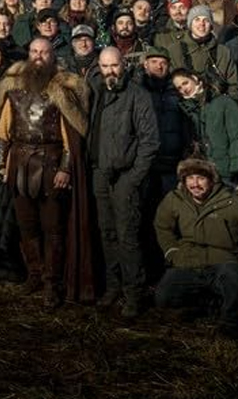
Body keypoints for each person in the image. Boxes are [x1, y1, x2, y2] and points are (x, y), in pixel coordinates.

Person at [0, 36, 96, 306]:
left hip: (50, 164)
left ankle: (52, 282)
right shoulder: (13, 88)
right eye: (34, 51)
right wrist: (2, 165)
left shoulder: (61, 90)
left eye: (44, 52)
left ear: (52, 56)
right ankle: (35, 274)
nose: (39, 56)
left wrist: (65, 168)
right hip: (19, 163)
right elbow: (3, 131)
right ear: (28, 54)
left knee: (53, 228)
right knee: (26, 226)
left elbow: (70, 136)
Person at [153, 157, 238, 335]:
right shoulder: (175, 199)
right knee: (163, 297)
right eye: (190, 178)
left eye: (201, 178)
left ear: (212, 180)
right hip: (189, 260)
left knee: (234, 280)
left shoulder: (232, 202)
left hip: (224, 262)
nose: (195, 184)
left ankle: (229, 322)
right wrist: (172, 251)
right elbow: (162, 226)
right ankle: (209, 304)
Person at [85, 46, 158, 317]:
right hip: (100, 173)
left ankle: (133, 293)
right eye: (105, 66)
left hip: (126, 176)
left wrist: (134, 177)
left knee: (128, 236)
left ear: (124, 65)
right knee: (107, 233)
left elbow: (150, 141)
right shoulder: (95, 92)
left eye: (114, 65)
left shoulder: (138, 96)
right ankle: (113, 286)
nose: (110, 71)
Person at [172, 68, 238, 187]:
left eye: (185, 83)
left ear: (194, 78)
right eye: (179, 88)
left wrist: (237, 170)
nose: (184, 89)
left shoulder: (224, 103)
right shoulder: (187, 110)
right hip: (199, 175)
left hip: (225, 172)